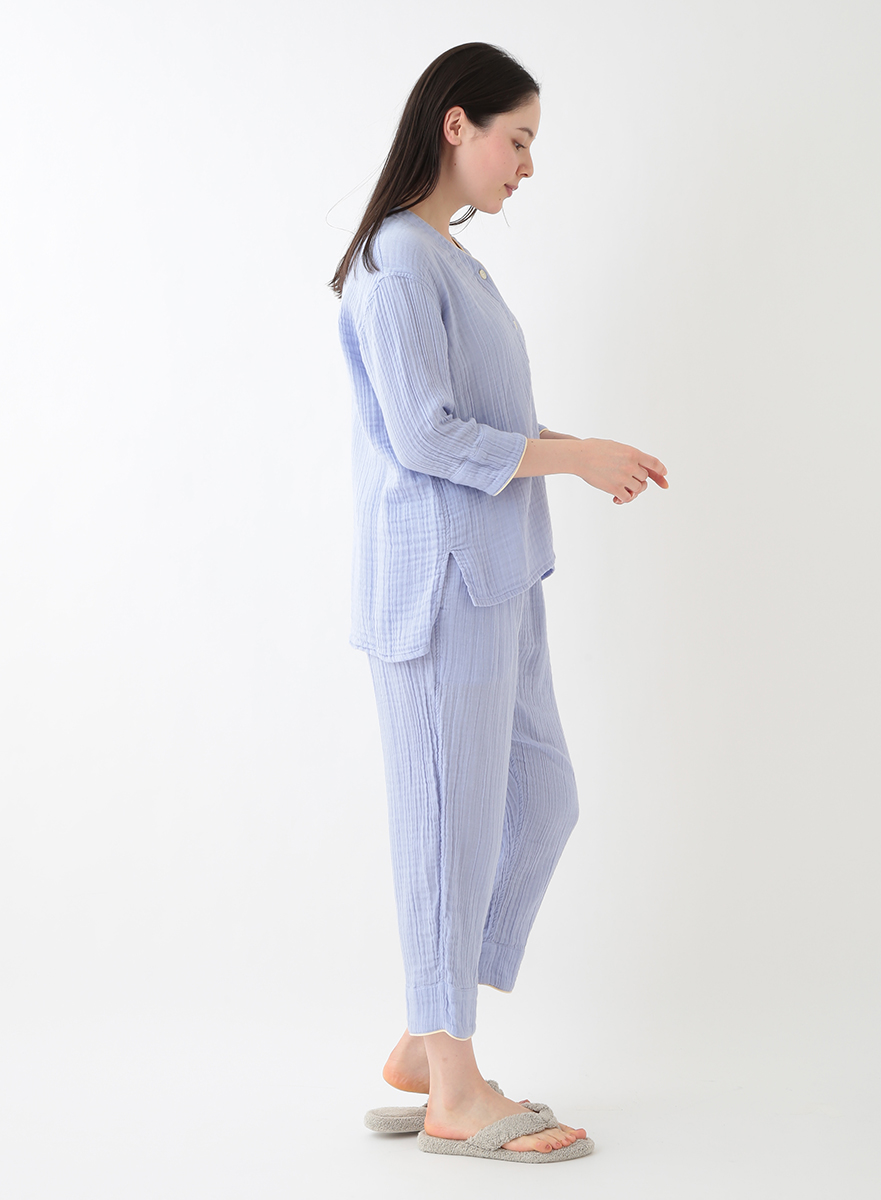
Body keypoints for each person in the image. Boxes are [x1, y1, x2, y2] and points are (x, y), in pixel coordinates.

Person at [329, 42, 667, 1163]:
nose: (526, 166)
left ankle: (429, 1037)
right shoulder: (394, 262)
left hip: (501, 575)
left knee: (543, 795)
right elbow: (427, 436)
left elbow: (487, 422)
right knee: (447, 828)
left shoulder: (449, 259)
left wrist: (580, 452)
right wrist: (572, 458)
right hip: (436, 589)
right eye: (516, 141)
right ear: (456, 125)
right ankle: (456, 1090)